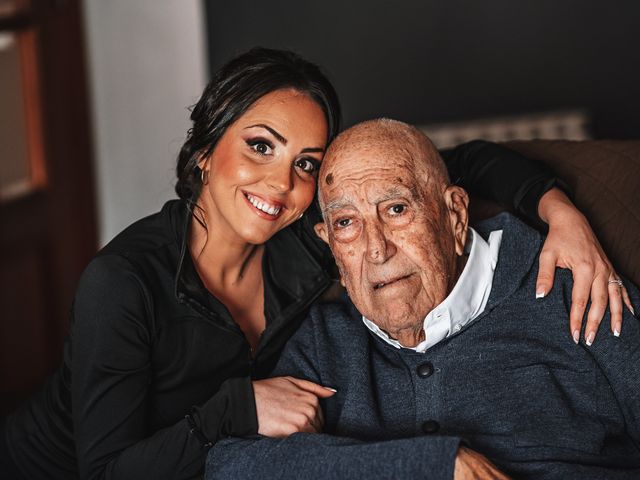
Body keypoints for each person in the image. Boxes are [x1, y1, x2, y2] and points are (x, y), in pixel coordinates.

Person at [0, 48, 629, 480]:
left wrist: (558, 211)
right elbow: (118, 470)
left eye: (305, 162)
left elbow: (447, 163)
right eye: (259, 146)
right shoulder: (124, 283)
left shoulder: (307, 244)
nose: (280, 184)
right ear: (203, 152)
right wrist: (238, 410)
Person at [205, 119, 640, 479]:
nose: (376, 248)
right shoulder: (324, 342)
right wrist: (431, 465)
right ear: (330, 246)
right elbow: (230, 466)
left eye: (396, 209)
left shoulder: (576, 291)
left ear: (454, 216)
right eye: (346, 223)